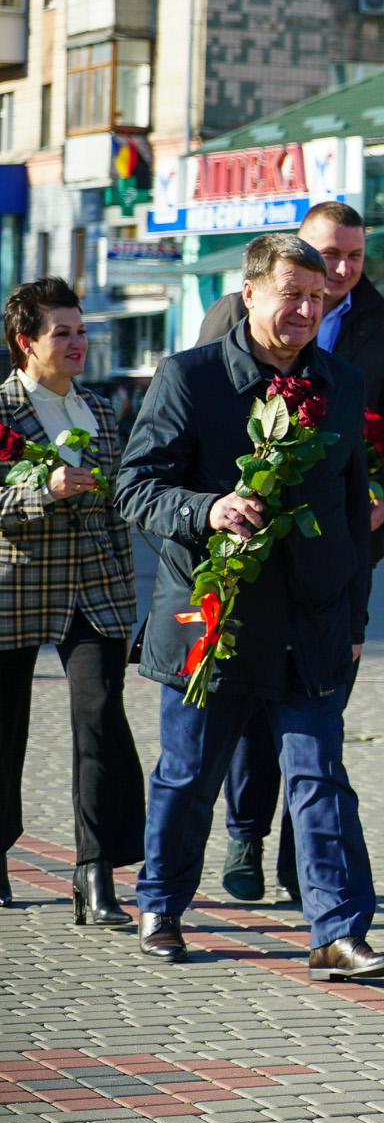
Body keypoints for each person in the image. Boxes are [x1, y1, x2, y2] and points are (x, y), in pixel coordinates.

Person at [117, 234, 384, 980]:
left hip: (311, 623)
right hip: (215, 620)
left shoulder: (340, 382)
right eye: (293, 294)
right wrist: (208, 510)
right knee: (187, 777)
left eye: (318, 296)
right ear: (251, 293)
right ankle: (161, 904)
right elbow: (135, 488)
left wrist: (355, 622)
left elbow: (350, 508)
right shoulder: (191, 377)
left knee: (320, 777)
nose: (308, 308)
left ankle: (337, 931)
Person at [198, 201, 384, 906]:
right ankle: (245, 832)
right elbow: (202, 413)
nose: (341, 270)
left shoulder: (383, 329)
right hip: (249, 548)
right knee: (249, 701)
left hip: (335, 550)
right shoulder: (230, 316)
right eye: (330, 254)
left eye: (355, 257)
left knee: (318, 711)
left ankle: (306, 866)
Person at [0, 279, 146, 923]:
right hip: (17, 589)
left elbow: (118, 506)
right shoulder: (3, 410)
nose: (78, 343)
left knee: (99, 723)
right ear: (24, 342)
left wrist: (129, 590)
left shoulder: (101, 411)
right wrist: (45, 491)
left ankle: (96, 874)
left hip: (95, 592)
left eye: (81, 331)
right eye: (62, 332)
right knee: (5, 731)